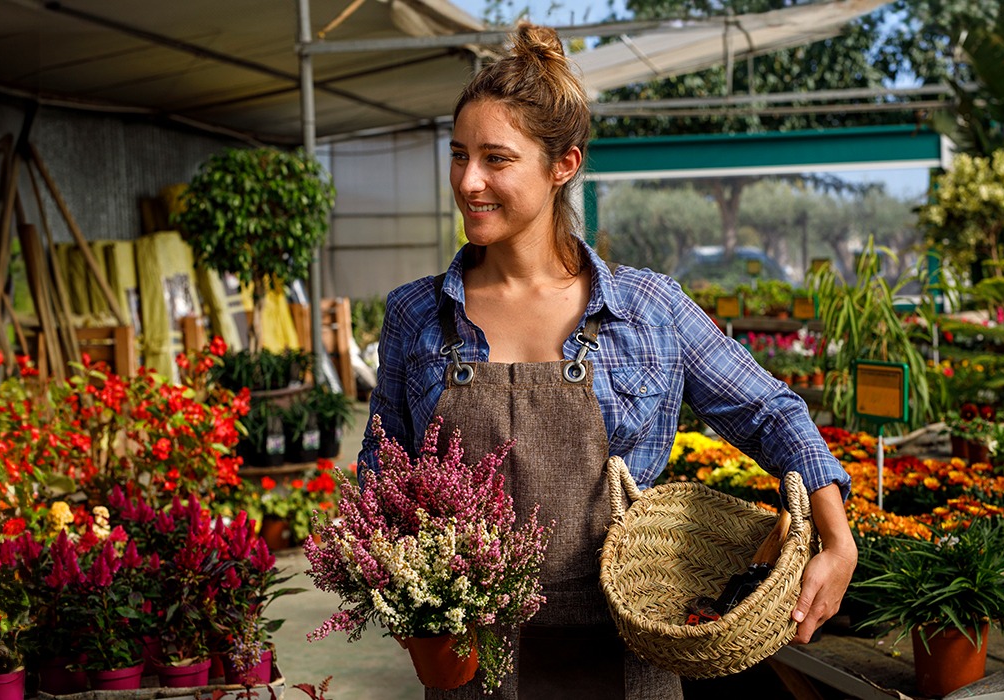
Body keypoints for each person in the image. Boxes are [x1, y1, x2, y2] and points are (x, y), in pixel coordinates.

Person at [360, 21, 857, 700]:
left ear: (564, 163)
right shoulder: (418, 315)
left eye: (496, 159)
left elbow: (770, 411)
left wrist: (835, 535)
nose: (468, 180)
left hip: (630, 652)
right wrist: (413, 615)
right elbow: (378, 479)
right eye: (458, 155)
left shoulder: (647, 308)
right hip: (473, 662)